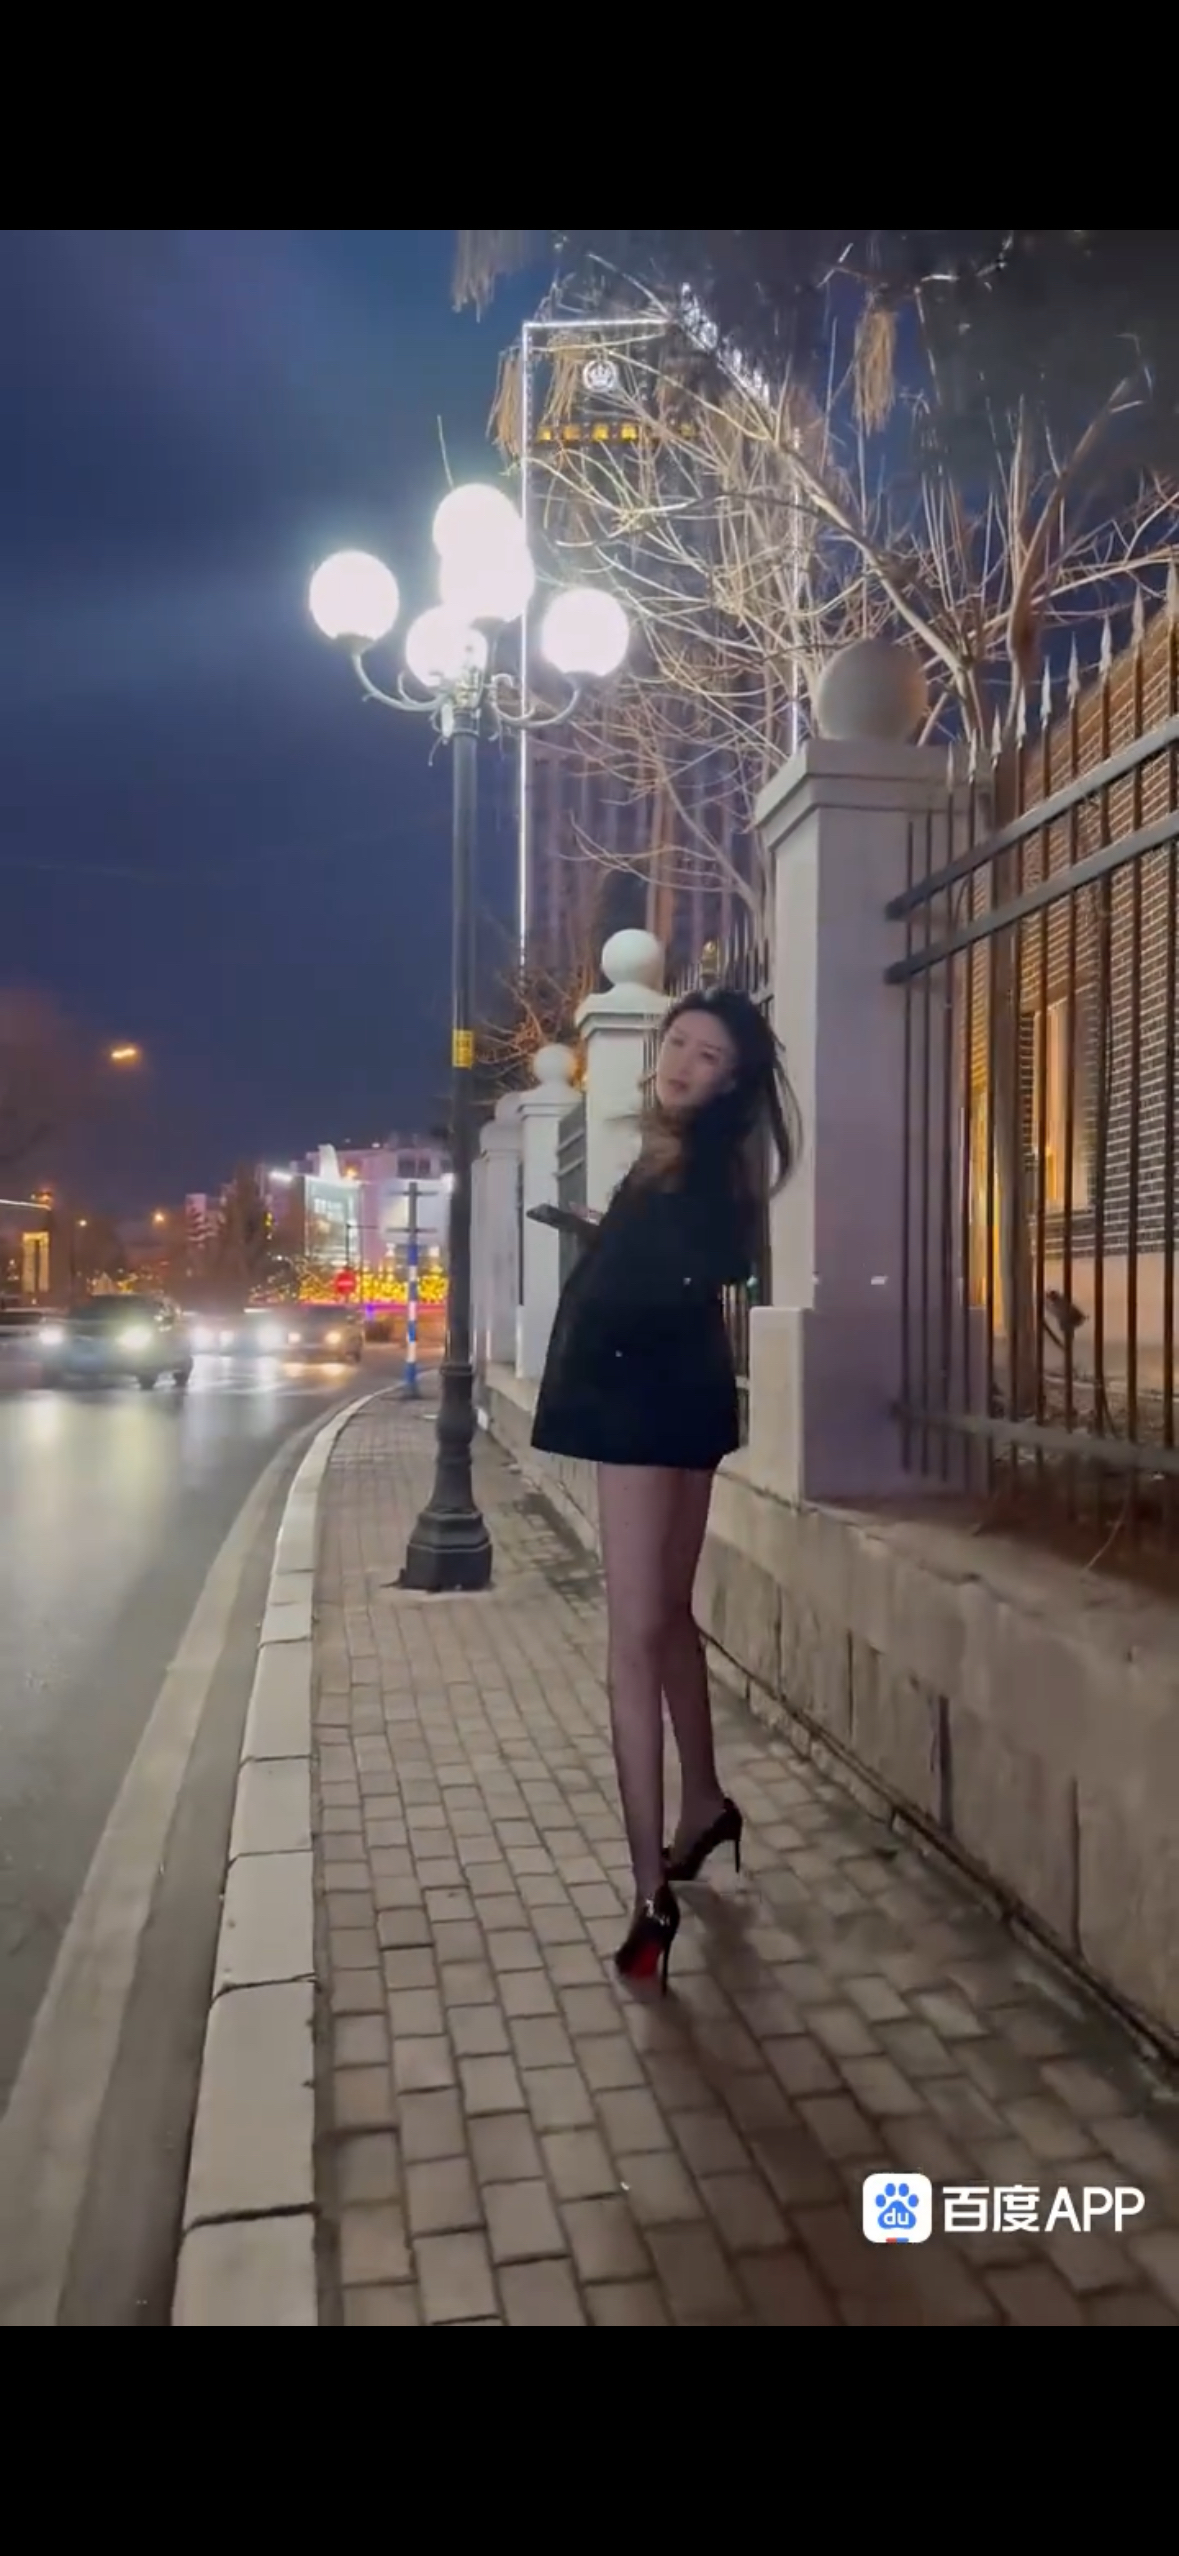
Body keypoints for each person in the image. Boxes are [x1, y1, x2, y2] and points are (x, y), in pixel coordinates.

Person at [531, 986, 798, 1991]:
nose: (682, 1063)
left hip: (642, 1401)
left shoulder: (698, 1164)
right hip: (683, 1397)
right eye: (678, 1042)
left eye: (707, 1055)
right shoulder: (695, 1159)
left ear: (732, 1080)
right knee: (668, 1620)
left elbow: (696, 1267)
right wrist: (617, 1234)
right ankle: (705, 1804)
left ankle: (649, 1888)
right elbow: (693, 1267)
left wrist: (622, 1251)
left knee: (632, 1640)